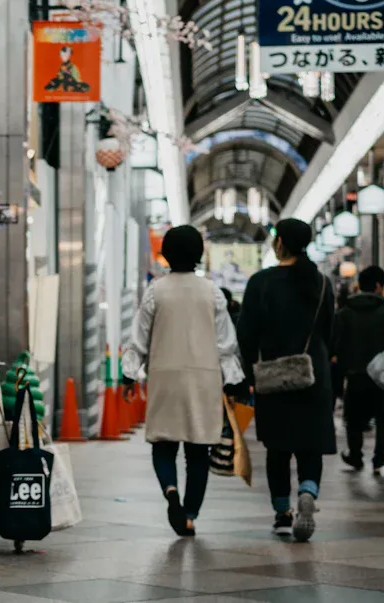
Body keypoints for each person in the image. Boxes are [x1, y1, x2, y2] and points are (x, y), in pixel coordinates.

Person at [122, 225, 244, 537]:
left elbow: (138, 339)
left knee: (163, 444)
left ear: (166, 252)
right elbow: (226, 344)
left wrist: (129, 373)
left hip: (164, 377)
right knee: (197, 452)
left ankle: (170, 492)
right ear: (199, 254)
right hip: (204, 380)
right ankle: (189, 516)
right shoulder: (212, 292)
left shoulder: (156, 291)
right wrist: (234, 380)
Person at [236, 218, 334, 542]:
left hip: (274, 377)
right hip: (313, 375)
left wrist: (245, 374)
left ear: (280, 243)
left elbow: (246, 335)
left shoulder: (261, 282)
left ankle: (282, 513)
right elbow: (329, 334)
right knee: (311, 446)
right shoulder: (321, 283)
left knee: (277, 449)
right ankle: (308, 491)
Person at [333, 266, 384, 474]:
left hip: (355, 373)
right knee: (383, 417)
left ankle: (356, 455)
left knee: (353, 418)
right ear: (378, 285)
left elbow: (336, 344)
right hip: (383, 376)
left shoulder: (345, 312)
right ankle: (379, 459)